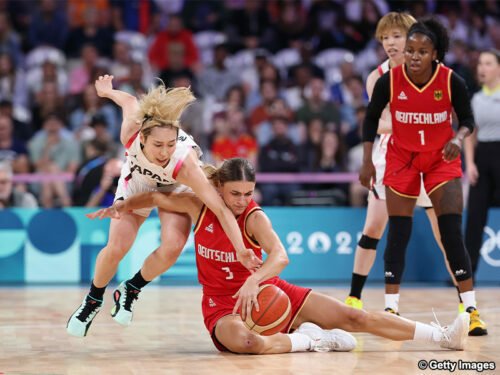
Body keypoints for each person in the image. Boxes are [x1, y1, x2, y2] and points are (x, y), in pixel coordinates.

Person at [88, 157, 469, 354]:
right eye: (234, 193)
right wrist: (120, 205)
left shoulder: (255, 217)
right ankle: (314, 342)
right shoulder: (197, 205)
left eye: (247, 193)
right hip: (222, 306)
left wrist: (256, 278)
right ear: (217, 188)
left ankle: (441, 336)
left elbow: (280, 255)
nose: (241, 201)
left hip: (271, 291)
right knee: (250, 347)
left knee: (354, 315)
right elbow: (155, 196)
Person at [67, 76, 262, 338]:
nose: (164, 152)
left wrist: (240, 249)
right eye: (158, 145)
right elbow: (129, 100)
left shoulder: (185, 164)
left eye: (170, 144)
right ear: (143, 138)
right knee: (117, 248)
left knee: (172, 247)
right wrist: (107, 91)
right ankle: (92, 301)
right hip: (137, 182)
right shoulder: (131, 131)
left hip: (175, 184)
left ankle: (130, 290)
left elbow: (221, 209)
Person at [359, 18, 487, 336]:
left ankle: (470, 309)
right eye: (410, 49)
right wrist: (366, 161)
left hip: (439, 160)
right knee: (397, 233)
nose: (413, 55)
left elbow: (468, 120)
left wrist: (457, 139)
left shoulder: (451, 81)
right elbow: (370, 119)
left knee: (451, 235)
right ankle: (391, 308)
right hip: (401, 159)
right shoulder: (386, 79)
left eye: (421, 50)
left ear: (435, 54)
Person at [345, 12, 461, 315]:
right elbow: (380, 122)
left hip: (432, 161)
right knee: (372, 228)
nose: (390, 43)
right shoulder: (377, 76)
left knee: (444, 235)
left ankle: (466, 305)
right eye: (385, 38)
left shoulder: (438, 74)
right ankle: (354, 297)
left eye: (396, 36)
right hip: (391, 161)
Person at [464, 49, 500, 279]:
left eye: (488, 63)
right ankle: (467, 273)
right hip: (482, 156)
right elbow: (471, 133)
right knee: (475, 216)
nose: (481, 68)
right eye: (480, 64)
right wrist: (469, 163)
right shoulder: (475, 99)